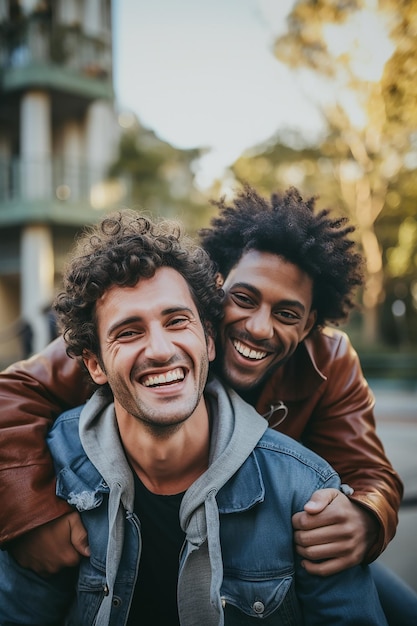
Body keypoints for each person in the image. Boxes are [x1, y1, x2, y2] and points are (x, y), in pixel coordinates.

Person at [0, 187, 414, 620]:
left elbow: (369, 470)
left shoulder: (329, 368)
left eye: (287, 314)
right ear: (216, 290)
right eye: (244, 298)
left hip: (274, 532)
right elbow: (13, 395)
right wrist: (30, 513)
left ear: (310, 322)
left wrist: (366, 518)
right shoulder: (156, 326)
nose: (258, 327)